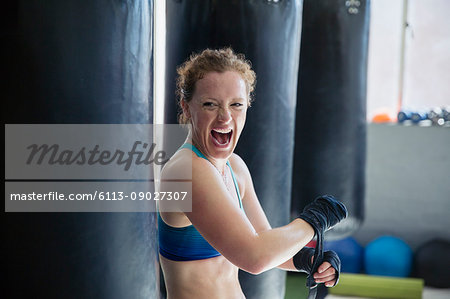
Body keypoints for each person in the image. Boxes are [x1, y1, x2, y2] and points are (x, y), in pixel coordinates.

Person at [158, 48, 346, 299]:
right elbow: (255, 257)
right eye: (210, 104)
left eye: (236, 104)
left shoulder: (235, 167)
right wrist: (315, 221)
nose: (225, 117)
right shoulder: (186, 170)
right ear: (186, 106)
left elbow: (264, 241)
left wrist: (307, 259)